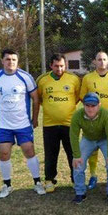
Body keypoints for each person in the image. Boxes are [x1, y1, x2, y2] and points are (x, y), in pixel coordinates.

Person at [0, 49, 45, 198]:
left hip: (23, 124)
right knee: (4, 153)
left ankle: (37, 182)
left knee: (29, 150)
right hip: (3, 126)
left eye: (13, 59)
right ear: (2, 61)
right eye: (7, 59)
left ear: (17, 62)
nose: (10, 62)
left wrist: (35, 118)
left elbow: (36, 99)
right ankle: (7, 185)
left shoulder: (25, 77)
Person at [79, 51, 108, 190]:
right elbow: (83, 98)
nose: (102, 62)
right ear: (94, 61)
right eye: (99, 59)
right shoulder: (87, 78)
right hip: (92, 120)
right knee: (92, 150)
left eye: (104, 59)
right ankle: (93, 175)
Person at [37, 53, 80, 192]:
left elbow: (77, 97)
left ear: (65, 65)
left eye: (62, 66)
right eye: (56, 66)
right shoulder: (42, 80)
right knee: (50, 153)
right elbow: (39, 99)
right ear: (51, 65)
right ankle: (49, 180)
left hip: (69, 124)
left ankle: (76, 179)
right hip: (50, 124)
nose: (59, 69)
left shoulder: (73, 79)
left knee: (73, 153)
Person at [70, 93, 108, 204]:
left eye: (93, 105)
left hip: (104, 139)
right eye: (87, 105)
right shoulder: (77, 115)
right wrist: (76, 156)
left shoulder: (106, 114)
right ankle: (80, 193)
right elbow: (73, 136)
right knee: (78, 164)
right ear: (83, 105)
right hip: (88, 139)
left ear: (99, 105)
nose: (90, 108)